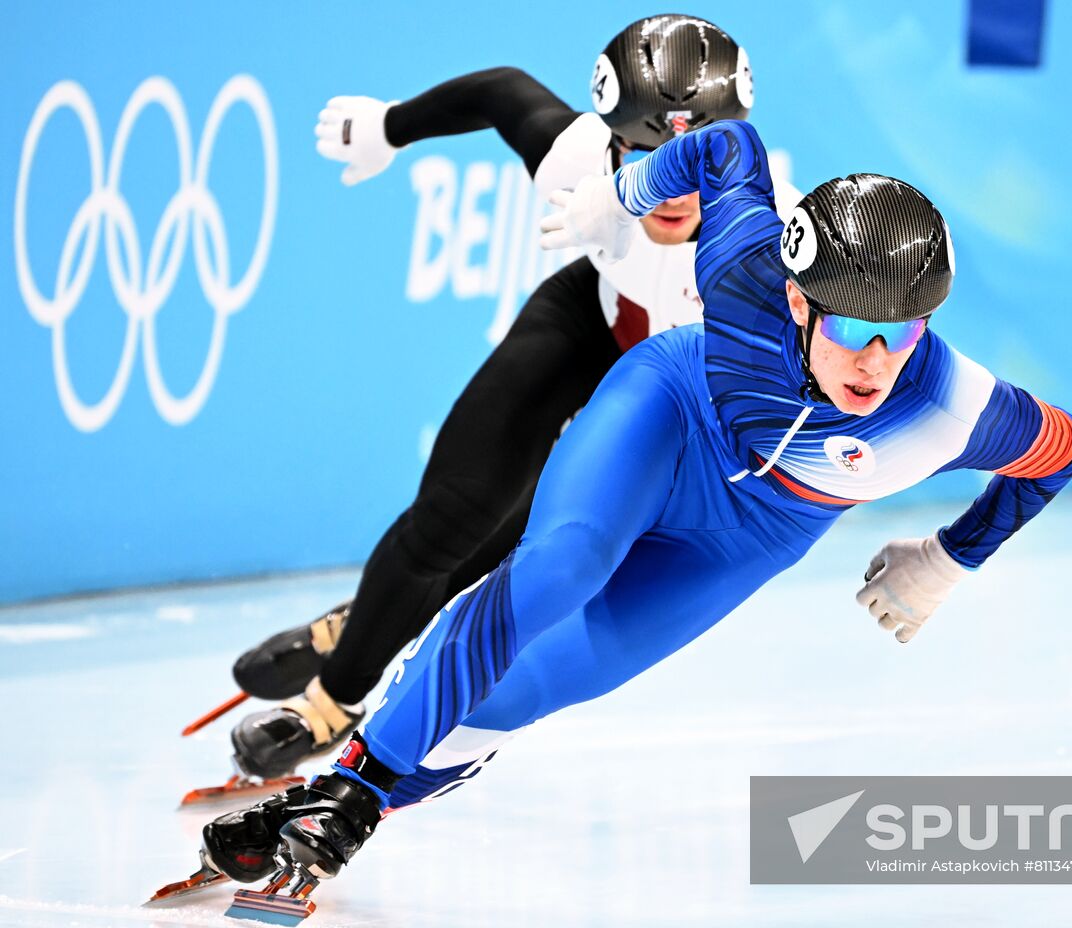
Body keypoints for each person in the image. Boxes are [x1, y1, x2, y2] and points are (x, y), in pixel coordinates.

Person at [198, 115, 1072, 901]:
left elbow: (1063, 450)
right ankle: (357, 790)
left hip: (757, 531)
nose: (876, 362)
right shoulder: (743, 263)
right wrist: (619, 196)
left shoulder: (949, 407)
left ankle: (330, 801)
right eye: (854, 330)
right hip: (669, 414)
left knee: (524, 694)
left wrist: (951, 557)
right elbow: (724, 144)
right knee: (557, 573)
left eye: (903, 334)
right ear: (795, 298)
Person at [220, 14, 798, 782]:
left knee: (527, 549)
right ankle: (331, 701)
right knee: (455, 513)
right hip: (596, 321)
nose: (673, 187)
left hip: (679, 390)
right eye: (647, 157)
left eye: (695, 162)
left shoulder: (780, 238)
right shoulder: (577, 165)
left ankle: (367, 625)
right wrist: (389, 129)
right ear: (609, 140)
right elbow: (504, 94)